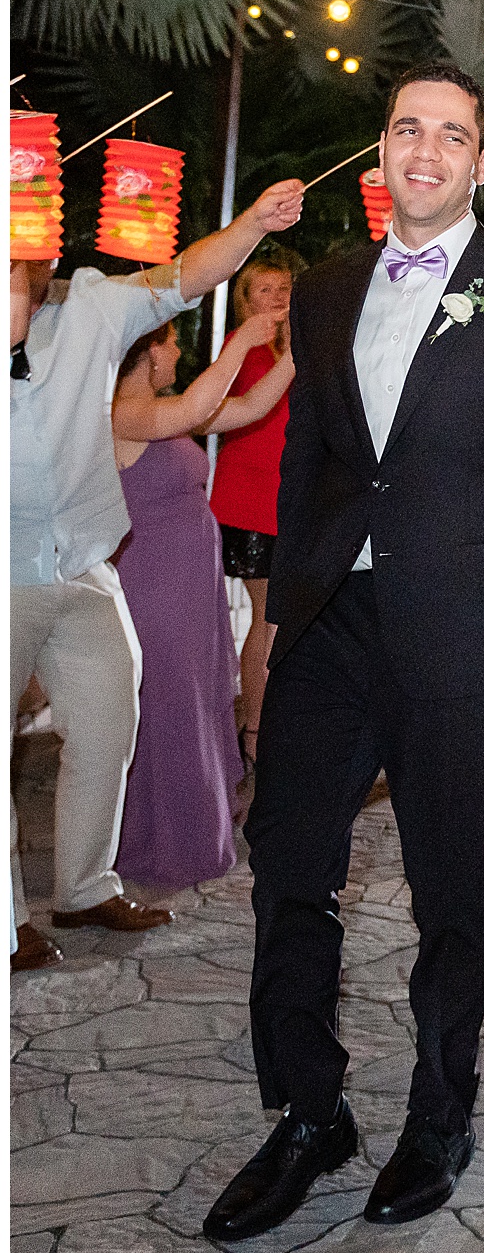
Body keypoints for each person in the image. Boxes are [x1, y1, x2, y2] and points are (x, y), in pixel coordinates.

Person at [203, 59, 484, 1243]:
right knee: (287, 856)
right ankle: (306, 1108)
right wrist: (276, 626)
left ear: (481, 162)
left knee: (448, 883)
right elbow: (312, 471)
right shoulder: (330, 290)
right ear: (380, 152)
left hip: (464, 637)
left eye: (451, 134)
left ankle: (440, 1114)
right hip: (333, 627)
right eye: (405, 130)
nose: (425, 150)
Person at [10, 171, 306, 971]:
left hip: (88, 564)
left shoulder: (94, 308)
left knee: (111, 723)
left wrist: (250, 223)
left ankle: (84, 885)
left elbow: (186, 276)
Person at [110, 311, 291, 893]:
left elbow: (251, 407)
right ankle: (162, 842)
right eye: (169, 344)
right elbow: (194, 407)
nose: (177, 356)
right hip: (153, 579)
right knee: (169, 702)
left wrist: (295, 352)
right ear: (147, 353)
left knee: (204, 692)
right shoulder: (124, 413)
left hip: (192, 582)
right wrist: (242, 340)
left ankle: (197, 828)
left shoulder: (163, 414)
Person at [207, 253, 300, 781]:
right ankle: (257, 733)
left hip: (289, 501)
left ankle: (262, 727)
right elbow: (238, 409)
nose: (275, 297)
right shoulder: (240, 348)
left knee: (274, 620)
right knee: (269, 619)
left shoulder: (295, 347)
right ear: (244, 300)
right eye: (262, 290)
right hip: (251, 501)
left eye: (282, 287)